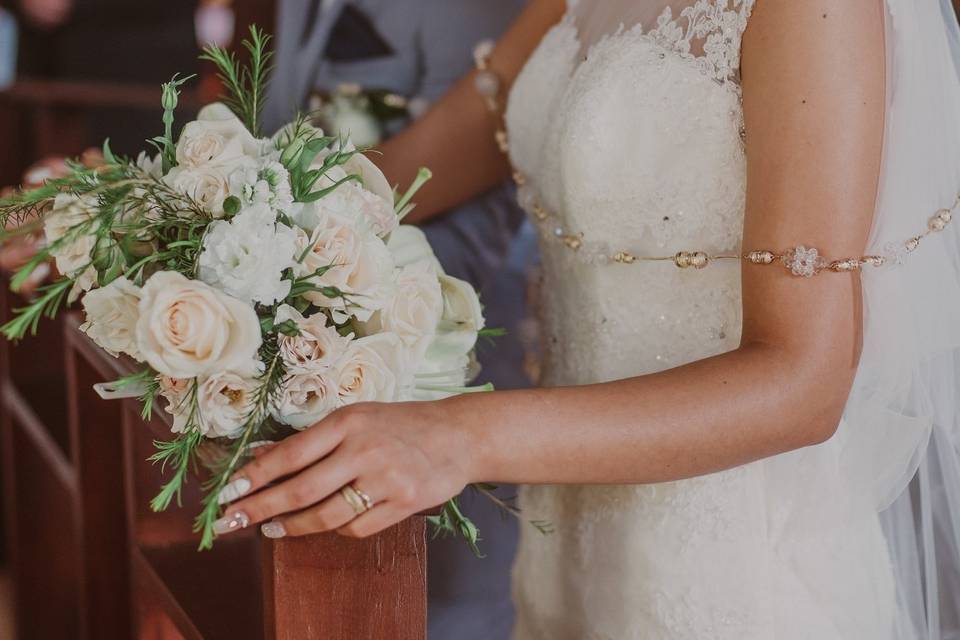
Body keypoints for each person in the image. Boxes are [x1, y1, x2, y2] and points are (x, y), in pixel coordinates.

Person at [166, 0, 960, 637]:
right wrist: (182, 211)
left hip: (734, 567)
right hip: (570, 551)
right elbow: (428, 157)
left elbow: (805, 381)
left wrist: (460, 435)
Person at [261, 2, 531, 638]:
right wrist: (144, 206)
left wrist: (275, 266)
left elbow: (482, 204)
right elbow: (274, 142)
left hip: (455, 378)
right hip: (329, 407)